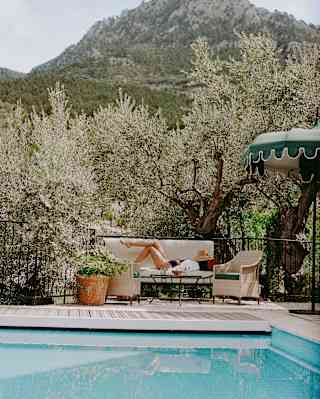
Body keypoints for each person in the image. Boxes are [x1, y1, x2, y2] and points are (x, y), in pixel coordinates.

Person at [120, 239, 210, 274]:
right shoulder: (193, 263)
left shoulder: (194, 265)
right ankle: (130, 243)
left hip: (165, 265)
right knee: (155, 242)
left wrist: (171, 269)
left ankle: (133, 265)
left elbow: (180, 269)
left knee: (150, 248)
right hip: (168, 262)